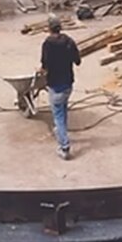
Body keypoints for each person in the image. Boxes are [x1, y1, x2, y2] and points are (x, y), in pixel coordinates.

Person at [39, 14, 81, 160]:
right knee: (63, 110)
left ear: (49, 28)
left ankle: (64, 147)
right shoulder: (69, 41)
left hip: (55, 85)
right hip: (68, 84)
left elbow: (44, 66)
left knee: (58, 115)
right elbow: (78, 61)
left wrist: (41, 72)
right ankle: (61, 133)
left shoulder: (47, 44)